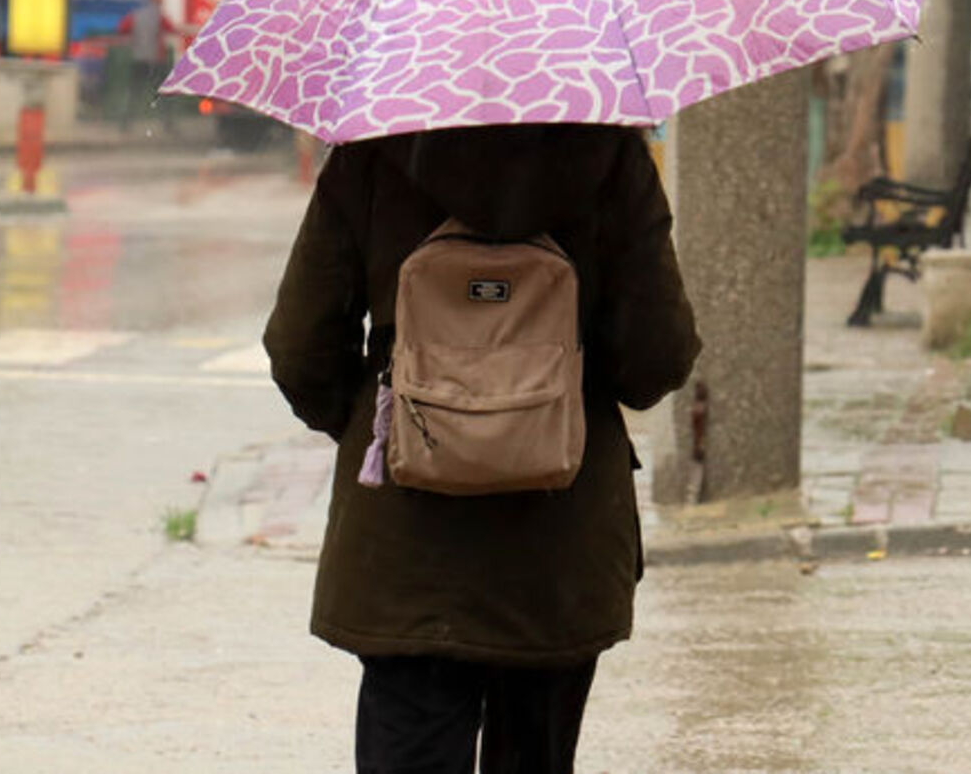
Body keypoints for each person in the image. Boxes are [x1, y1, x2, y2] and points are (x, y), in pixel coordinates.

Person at [264, 123, 701, 773]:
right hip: (560, 542)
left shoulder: (372, 155)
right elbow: (654, 359)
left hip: (405, 544)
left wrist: (383, 427)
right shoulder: (610, 158)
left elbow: (300, 348)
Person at [116, 0, 178, 131]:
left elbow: (122, 28)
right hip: (156, 60)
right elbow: (171, 29)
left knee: (134, 93)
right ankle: (168, 124)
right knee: (161, 94)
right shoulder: (160, 17)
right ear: (158, 2)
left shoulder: (135, 15)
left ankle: (125, 124)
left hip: (138, 59)